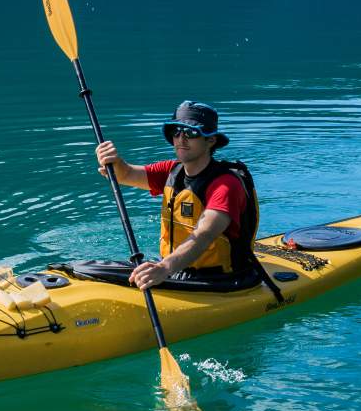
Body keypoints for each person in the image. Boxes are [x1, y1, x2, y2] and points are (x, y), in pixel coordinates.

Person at [94, 100, 261, 291]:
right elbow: (126, 174)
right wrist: (114, 162)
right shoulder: (171, 170)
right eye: (177, 132)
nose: (181, 139)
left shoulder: (225, 185)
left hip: (221, 279)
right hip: (175, 269)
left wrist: (163, 268)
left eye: (190, 133)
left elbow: (204, 236)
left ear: (210, 140)